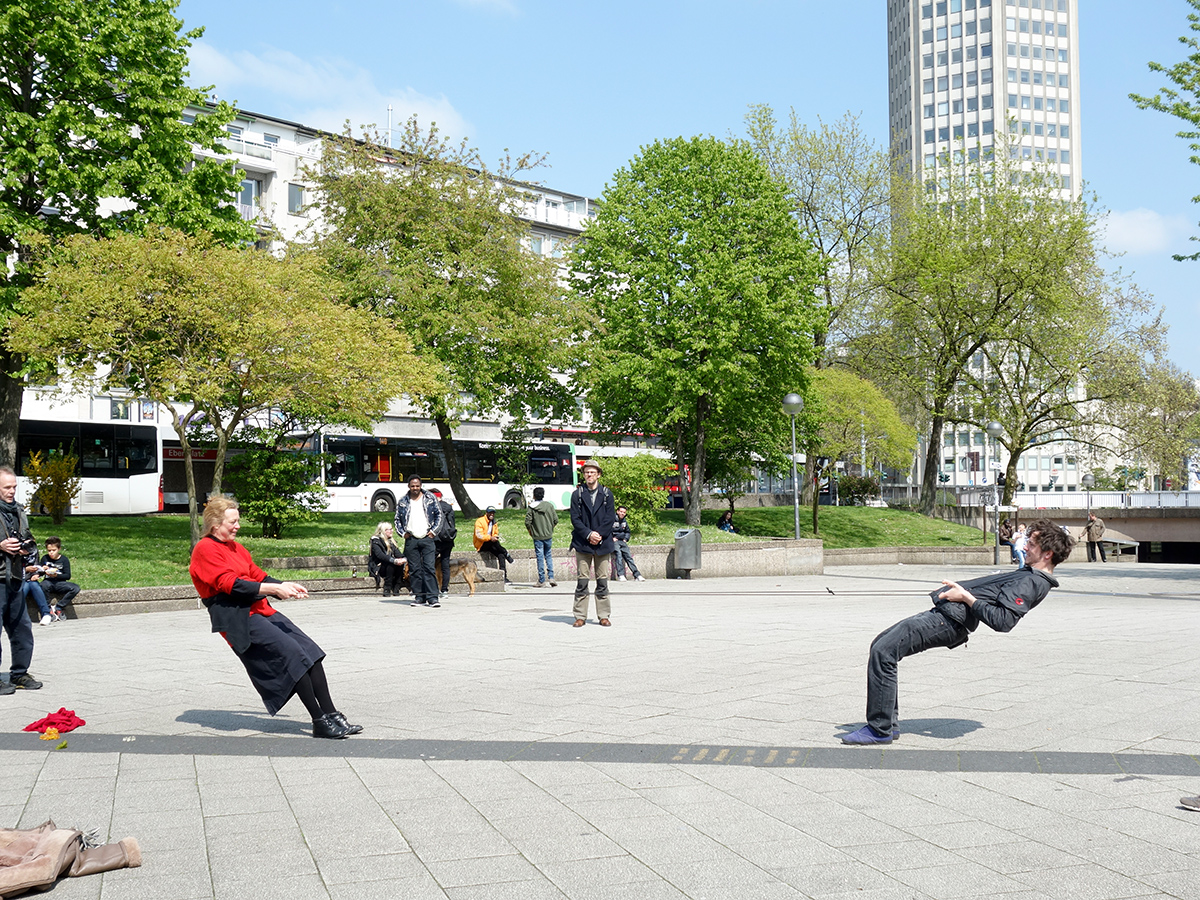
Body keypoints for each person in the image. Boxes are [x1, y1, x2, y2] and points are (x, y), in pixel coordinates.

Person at [841, 518, 1074, 745]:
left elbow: (1003, 621)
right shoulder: (1030, 574)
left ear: (1047, 554)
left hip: (949, 622)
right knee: (881, 646)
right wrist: (956, 590)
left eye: (1032, 544)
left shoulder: (1033, 582)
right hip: (947, 617)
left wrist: (964, 596)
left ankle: (879, 729)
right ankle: (887, 725)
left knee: (884, 650)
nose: (1025, 547)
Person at [188, 496, 359, 739]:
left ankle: (331, 714)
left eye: (238, 521)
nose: (238, 526)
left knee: (311, 652)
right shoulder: (205, 549)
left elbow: (258, 575)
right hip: (237, 616)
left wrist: (285, 585)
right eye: (233, 522)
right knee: (293, 654)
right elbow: (230, 585)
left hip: (258, 608)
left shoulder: (236, 547)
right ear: (215, 524)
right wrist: (273, 590)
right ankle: (318, 721)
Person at [0, 467, 42, 693]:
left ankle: (19, 674)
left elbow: (27, 536)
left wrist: (26, 547)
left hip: (16, 576)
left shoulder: (18, 510)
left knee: (22, 628)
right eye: (7, 487)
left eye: (14, 487)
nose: (12, 491)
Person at [570, 460, 616, 627]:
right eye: (586, 472)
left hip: (603, 543)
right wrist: (588, 534)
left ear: (598, 474)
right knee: (582, 580)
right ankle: (580, 615)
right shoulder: (577, 494)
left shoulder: (607, 494)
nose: (589, 475)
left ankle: (603, 615)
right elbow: (575, 518)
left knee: (602, 580)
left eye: (592, 472)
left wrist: (599, 535)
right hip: (583, 543)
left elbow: (610, 518)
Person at [395, 476, 442, 608]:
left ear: (421, 485)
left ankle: (433, 598)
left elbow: (439, 515)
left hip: (427, 538)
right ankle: (419, 596)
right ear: (409, 487)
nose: (415, 488)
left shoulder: (430, 498)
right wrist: (403, 533)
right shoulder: (403, 501)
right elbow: (397, 519)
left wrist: (434, 531)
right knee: (415, 570)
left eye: (417, 486)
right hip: (411, 539)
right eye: (412, 486)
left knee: (429, 568)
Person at [525, 486, 558, 588]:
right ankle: (551, 577)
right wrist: (550, 529)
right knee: (548, 555)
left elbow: (527, 522)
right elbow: (555, 520)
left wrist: (531, 531)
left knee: (540, 557)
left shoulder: (531, 507)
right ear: (543, 495)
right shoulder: (549, 506)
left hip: (537, 536)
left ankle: (541, 580)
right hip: (548, 535)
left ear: (534, 496)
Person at [39, 536, 79, 620]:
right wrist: (43, 569)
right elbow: (40, 573)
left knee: (75, 588)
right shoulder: (45, 558)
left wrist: (56, 575)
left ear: (59, 549)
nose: (51, 553)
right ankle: (48, 608)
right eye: (49, 550)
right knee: (43, 585)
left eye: (54, 550)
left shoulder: (64, 559)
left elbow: (67, 576)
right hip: (48, 581)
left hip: (60, 583)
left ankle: (59, 607)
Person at [473, 506, 514, 583]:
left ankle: (504, 577)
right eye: (490, 513)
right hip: (481, 544)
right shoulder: (480, 521)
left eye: (493, 513)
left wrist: (494, 537)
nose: (492, 514)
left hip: (491, 544)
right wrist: (490, 538)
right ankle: (506, 553)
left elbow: (495, 533)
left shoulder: (494, 523)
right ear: (487, 513)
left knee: (500, 555)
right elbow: (479, 536)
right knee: (494, 543)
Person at [430, 489, 457, 599]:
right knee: (445, 565)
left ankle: (432, 589)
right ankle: (444, 590)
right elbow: (452, 523)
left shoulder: (433, 507)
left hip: (436, 540)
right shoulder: (448, 507)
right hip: (447, 540)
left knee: (430, 564)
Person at [367, 523, 405, 597]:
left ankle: (397, 585)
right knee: (391, 562)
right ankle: (387, 587)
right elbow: (380, 556)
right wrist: (394, 560)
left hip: (390, 567)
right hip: (379, 567)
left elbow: (398, 554)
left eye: (392, 529)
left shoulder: (391, 541)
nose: (392, 531)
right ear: (383, 531)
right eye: (389, 529)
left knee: (399, 562)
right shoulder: (376, 541)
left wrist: (403, 559)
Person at [611, 506, 644, 582]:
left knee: (628, 557)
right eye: (621, 512)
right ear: (617, 511)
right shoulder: (612, 519)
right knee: (618, 555)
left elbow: (627, 532)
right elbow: (607, 530)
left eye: (624, 512)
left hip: (622, 541)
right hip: (614, 541)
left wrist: (626, 539)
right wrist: (611, 539)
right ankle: (621, 575)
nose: (622, 513)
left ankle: (637, 575)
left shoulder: (624, 521)